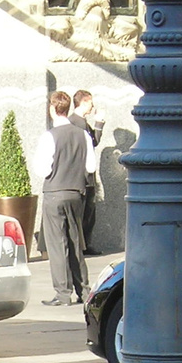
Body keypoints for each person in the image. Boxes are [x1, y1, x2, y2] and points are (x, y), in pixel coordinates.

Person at [30, 90, 96, 307]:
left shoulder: (49, 136)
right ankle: (84, 290)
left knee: (57, 245)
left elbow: (43, 169)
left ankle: (63, 293)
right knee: (76, 241)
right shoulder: (83, 135)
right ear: (67, 109)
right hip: (76, 193)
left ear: (52, 109)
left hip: (55, 193)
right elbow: (90, 167)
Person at [69, 89, 106, 253]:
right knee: (85, 210)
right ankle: (82, 245)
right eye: (90, 102)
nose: (92, 106)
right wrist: (98, 123)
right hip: (82, 175)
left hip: (85, 174)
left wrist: (98, 124)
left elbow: (93, 142)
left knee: (89, 211)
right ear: (83, 102)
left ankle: (84, 244)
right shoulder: (77, 122)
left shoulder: (79, 121)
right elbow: (90, 144)